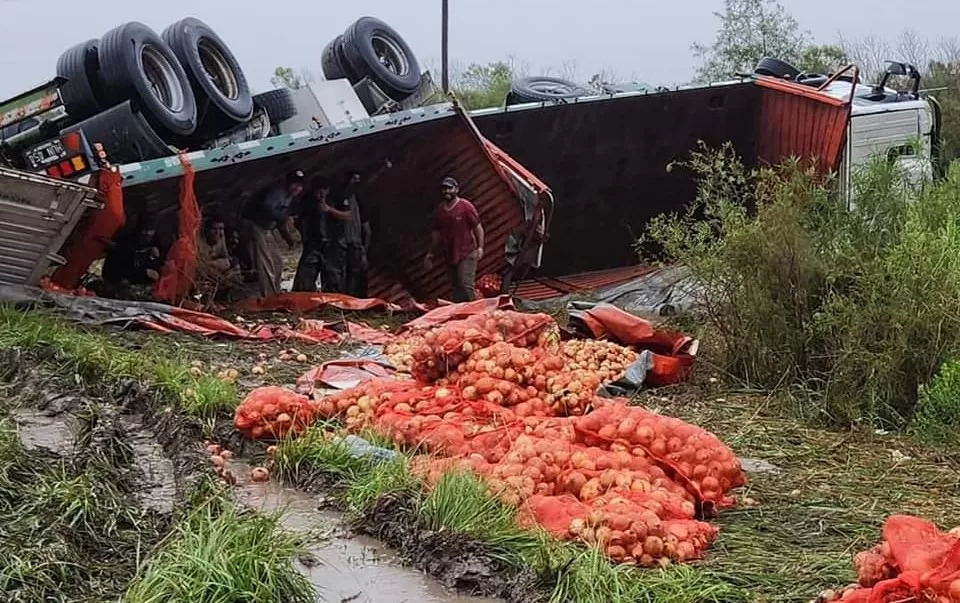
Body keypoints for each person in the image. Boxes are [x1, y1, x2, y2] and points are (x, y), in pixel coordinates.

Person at [241, 170, 305, 297]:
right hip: (255, 225)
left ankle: (275, 291)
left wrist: (288, 239)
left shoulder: (290, 197)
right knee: (265, 263)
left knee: (277, 261)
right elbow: (268, 209)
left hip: (267, 229)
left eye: (299, 185)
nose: (297, 188)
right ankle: (268, 295)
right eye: (294, 184)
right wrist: (285, 218)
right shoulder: (277, 193)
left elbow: (280, 221)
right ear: (287, 183)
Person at [425, 176, 485, 302]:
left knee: (465, 285)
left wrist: (480, 247)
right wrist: (431, 253)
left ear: (456, 190)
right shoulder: (440, 211)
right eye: (444, 189)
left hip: (467, 252)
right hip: (449, 253)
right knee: (456, 287)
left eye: (449, 188)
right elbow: (436, 234)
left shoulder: (466, 207)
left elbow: (478, 227)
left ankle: (476, 313)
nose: (446, 191)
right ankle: (460, 316)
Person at [101, 224, 165, 297]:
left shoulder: (151, 249)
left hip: (129, 273)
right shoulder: (127, 245)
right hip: (121, 274)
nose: (147, 233)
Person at [292, 177, 331, 292]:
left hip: (324, 239)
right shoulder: (308, 202)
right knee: (309, 266)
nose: (321, 194)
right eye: (319, 191)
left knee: (323, 267)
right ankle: (303, 290)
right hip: (313, 239)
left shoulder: (327, 202)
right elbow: (301, 221)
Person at [196, 217, 242, 301]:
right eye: (214, 229)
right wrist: (215, 264)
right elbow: (199, 265)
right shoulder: (199, 243)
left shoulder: (220, 238)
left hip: (217, 272)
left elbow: (226, 257)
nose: (218, 232)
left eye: (221, 229)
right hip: (202, 273)